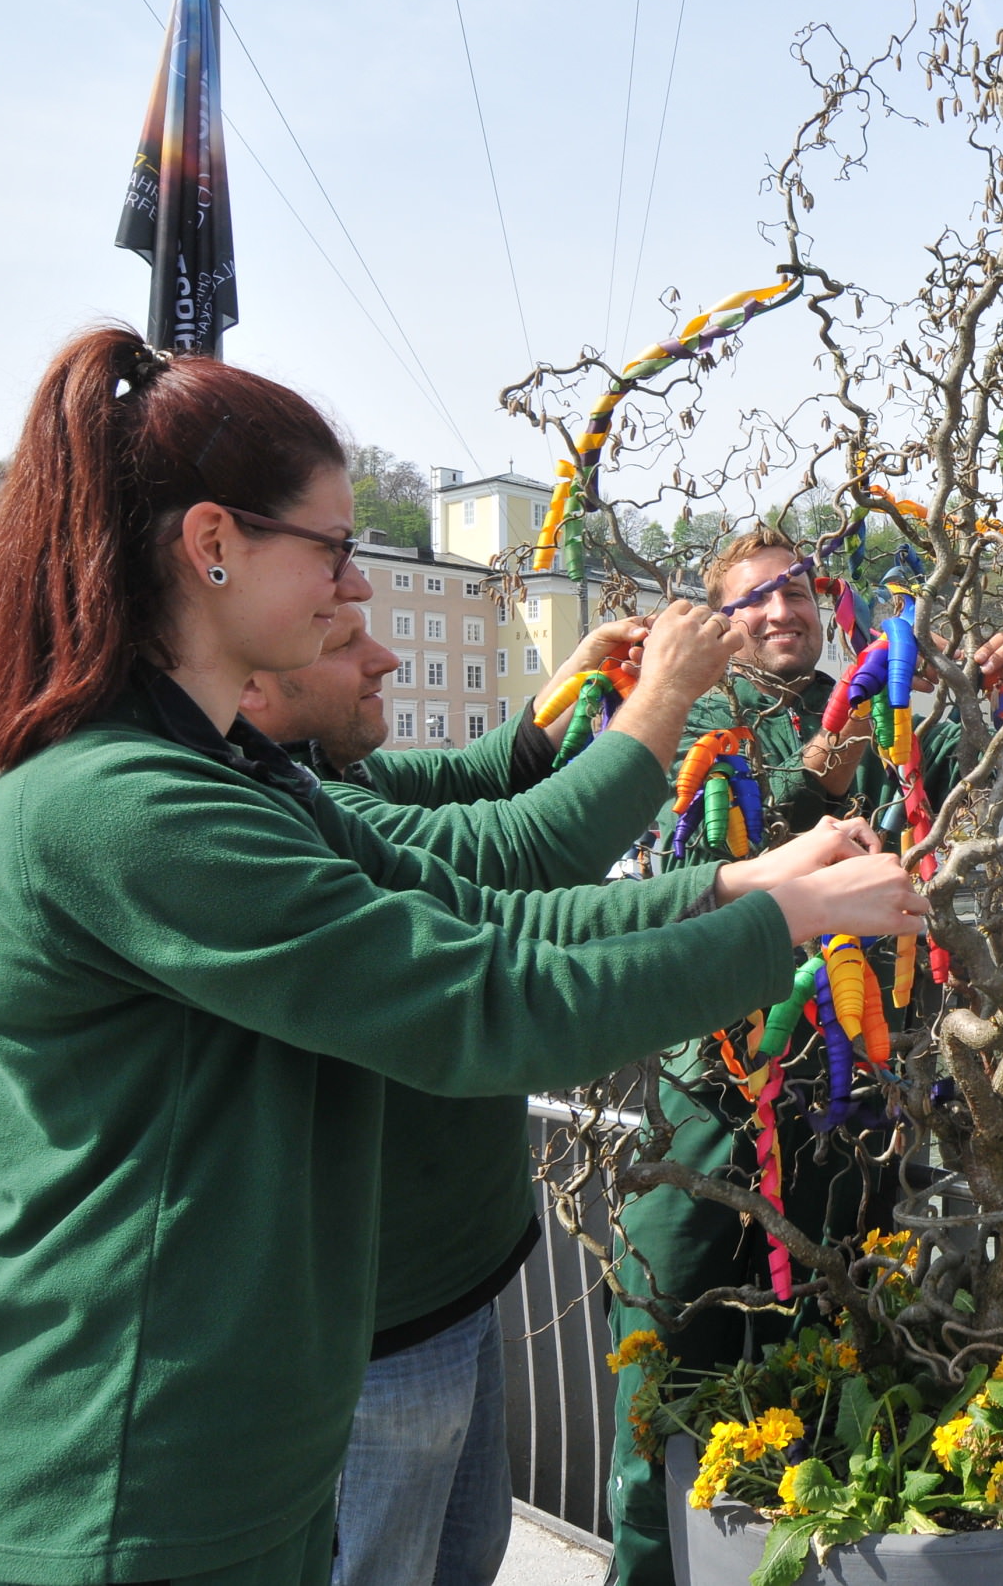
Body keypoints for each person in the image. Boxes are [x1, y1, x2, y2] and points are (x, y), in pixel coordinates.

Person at [0, 328, 926, 1586]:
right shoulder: (127, 804)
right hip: (133, 1472)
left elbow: (478, 907)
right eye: (334, 549)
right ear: (214, 545)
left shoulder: (221, 774)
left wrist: (745, 884)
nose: (355, 590)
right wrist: (777, 928)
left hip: (229, 1449)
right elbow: (483, 999)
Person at [239, 606, 882, 1586]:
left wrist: (742, 874)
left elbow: (480, 799)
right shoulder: (272, 811)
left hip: (443, 1290)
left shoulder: (328, 781)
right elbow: (504, 889)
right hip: (376, 1317)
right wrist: (667, 712)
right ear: (252, 680)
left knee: (456, 1558)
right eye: (339, 640)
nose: (387, 657)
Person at [601, 524, 1003, 1586]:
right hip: (716, 1089)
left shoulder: (881, 707)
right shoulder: (687, 717)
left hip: (857, 1096)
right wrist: (804, 783)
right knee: (668, 1341)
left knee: (835, 1344)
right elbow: (688, 874)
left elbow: (984, 781)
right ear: (718, 618)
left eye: (798, 593)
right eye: (753, 599)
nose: (781, 613)